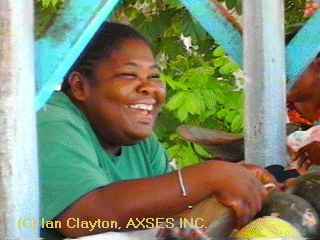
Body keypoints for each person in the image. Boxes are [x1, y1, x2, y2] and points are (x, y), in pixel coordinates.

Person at [38, 22, 277, 239]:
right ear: (80, 86)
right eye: (129, 75)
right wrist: (210, 175)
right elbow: (84, 218)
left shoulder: (138, 140)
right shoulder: (51, 121)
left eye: (154, 76)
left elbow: (169, 212)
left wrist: (235, 181)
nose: (149, 88)